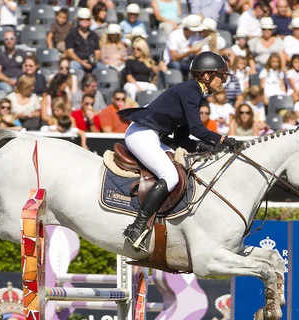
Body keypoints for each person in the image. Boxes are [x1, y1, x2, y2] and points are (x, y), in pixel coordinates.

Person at [116, 51, 239, 250]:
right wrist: (223, 140)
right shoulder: (190, 90)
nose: (223, 81)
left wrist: (202, 146)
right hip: (142, 134)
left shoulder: (194, 93)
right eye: (221, 76)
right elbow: (197, 129)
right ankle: (137, 226)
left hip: (152, 136)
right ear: (206, 76)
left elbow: (182, 138)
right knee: (170, 176)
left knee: (184, 166)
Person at [65, 8, 101, 72]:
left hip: (92, 62)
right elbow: (70, 52)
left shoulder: (94, 35)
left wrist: (94, 60)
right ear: (78, 20)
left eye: (87, 19)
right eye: (82, 19)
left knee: (102, 67)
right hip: (77, 61)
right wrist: (81, 62)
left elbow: (97, 51)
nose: (85, 21)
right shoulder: (71, 34)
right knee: (73, 66)